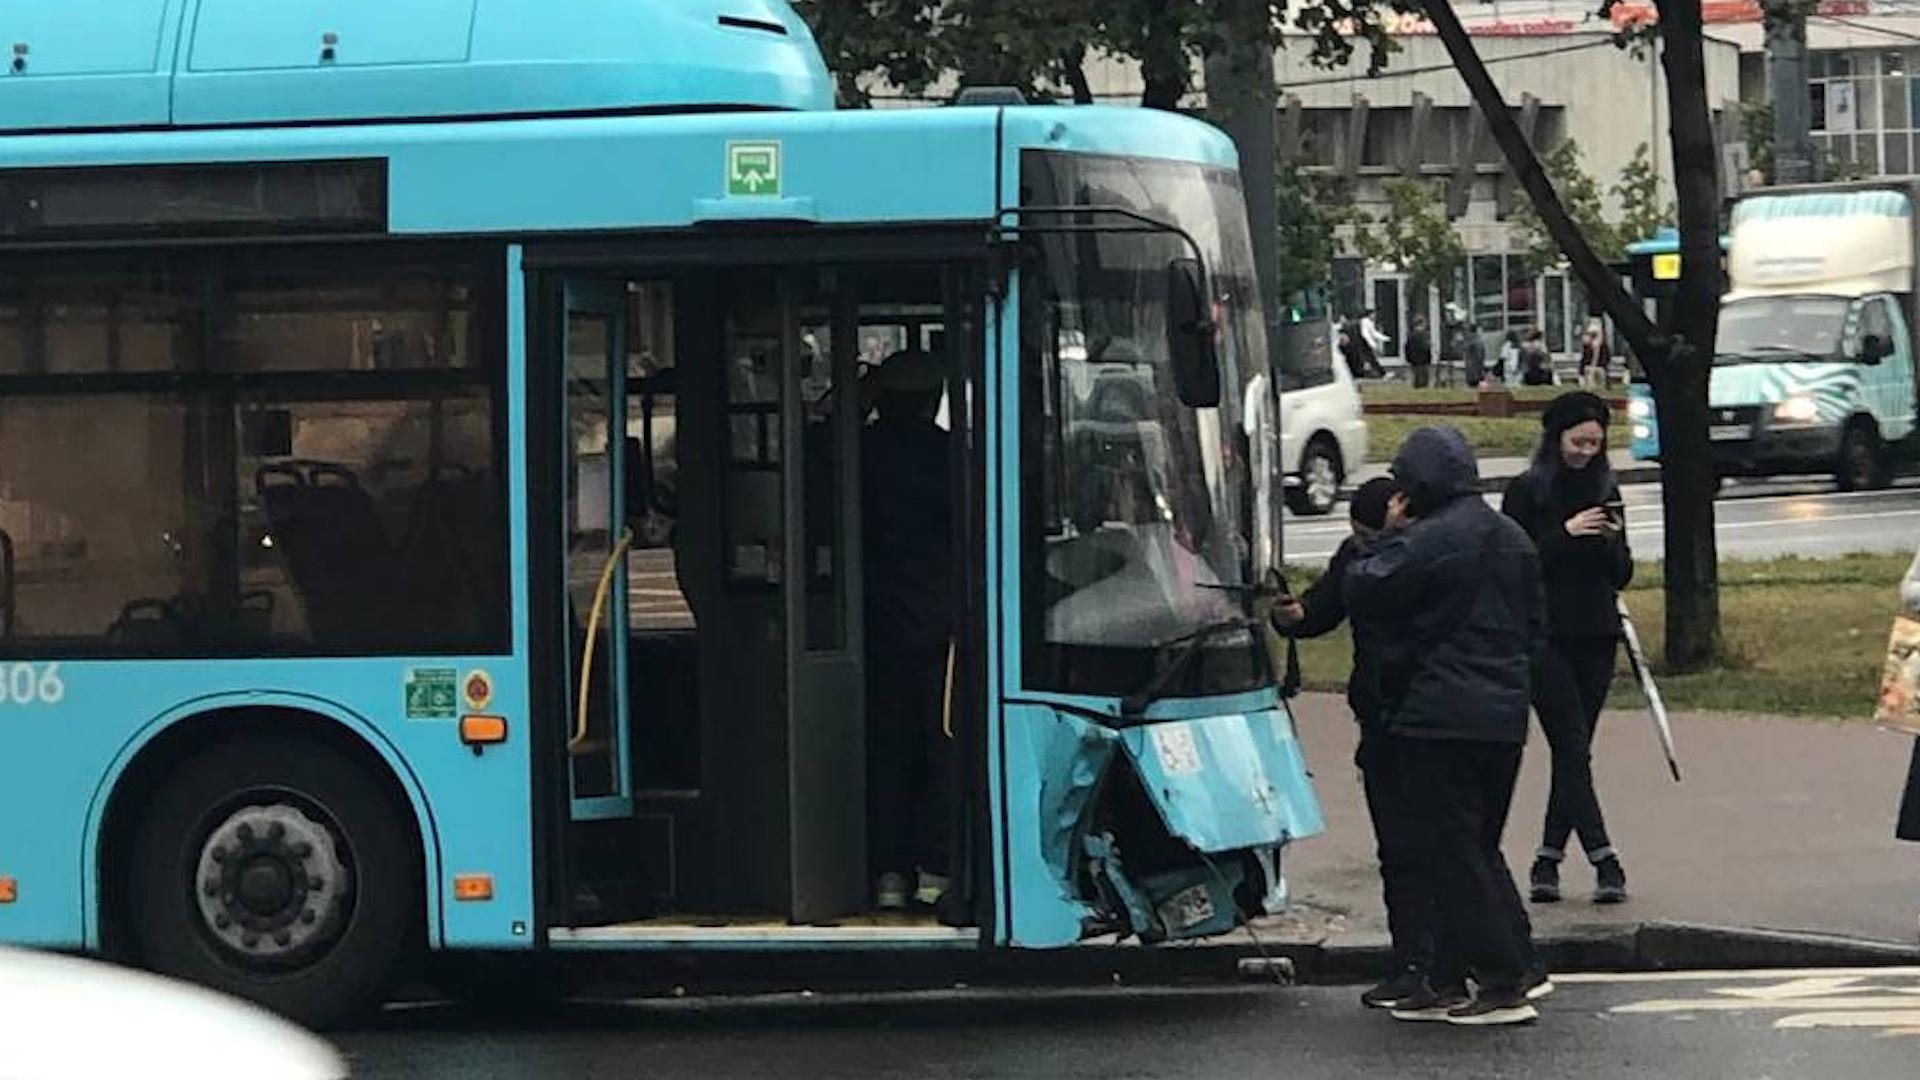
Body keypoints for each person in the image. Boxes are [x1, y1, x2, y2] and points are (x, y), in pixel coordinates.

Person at [1345, 425, 1548, 1026]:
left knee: (1447, 849)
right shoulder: (1513, 538)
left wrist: (1378, 536)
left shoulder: (1425, 541)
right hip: (1503, 715)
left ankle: (1498, 980)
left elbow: (1365, 588)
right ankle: (1451, 978)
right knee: (1476, 846)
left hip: (1436, 714)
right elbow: (1536, 628)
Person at [1272, 478, 1439, 1011]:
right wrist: (1296, 617)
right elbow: (1326, 607)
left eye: (1369, 536)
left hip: (1423, 714)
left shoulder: (1422, 557)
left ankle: (1436, 960)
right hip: (1382, 715)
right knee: (1398, 846)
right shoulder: (1358, 555)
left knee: (1428, 845)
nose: (1361, 546)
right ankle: (1415, 959)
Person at [1501, 392, 1633, 906]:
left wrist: (1608, 542)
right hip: (1545, 638)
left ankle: (1547, 859)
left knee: (1573, 753)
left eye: (1595, 443)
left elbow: (1622, 573)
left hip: (1597, 636)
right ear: (1555, 439)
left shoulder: (1606, 488)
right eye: (1577, 441)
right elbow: (1516, 563)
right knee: (1572, 746)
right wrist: (1566, 533)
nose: (1585, 451)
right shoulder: (1526, 493)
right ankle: (1606, 859)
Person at [860, 348, 955, 910]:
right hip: (939, 628)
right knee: (941, 750)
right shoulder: (947, 457)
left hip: (872, 628)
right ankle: (936, 869)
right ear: (929, 399)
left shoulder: (856, 453)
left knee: (888, 753)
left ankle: (888, 873)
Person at [1405, 317, 1434, 389]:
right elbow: (1425, 348)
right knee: (1423, 379)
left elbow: (1407, 349)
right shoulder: (1423, 336)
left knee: (1416, 379)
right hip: (1422, 361)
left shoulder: (1411, 336)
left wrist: (1409, 359)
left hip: (1414, 362)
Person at [1579, 321, 1609, 389]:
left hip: (1599, 368)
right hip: (1590, 367)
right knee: (1589, 372)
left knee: (1598, 373)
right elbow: (1584, 361)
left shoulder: (1603, 347)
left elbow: (1606, 359)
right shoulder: (1587, 348)